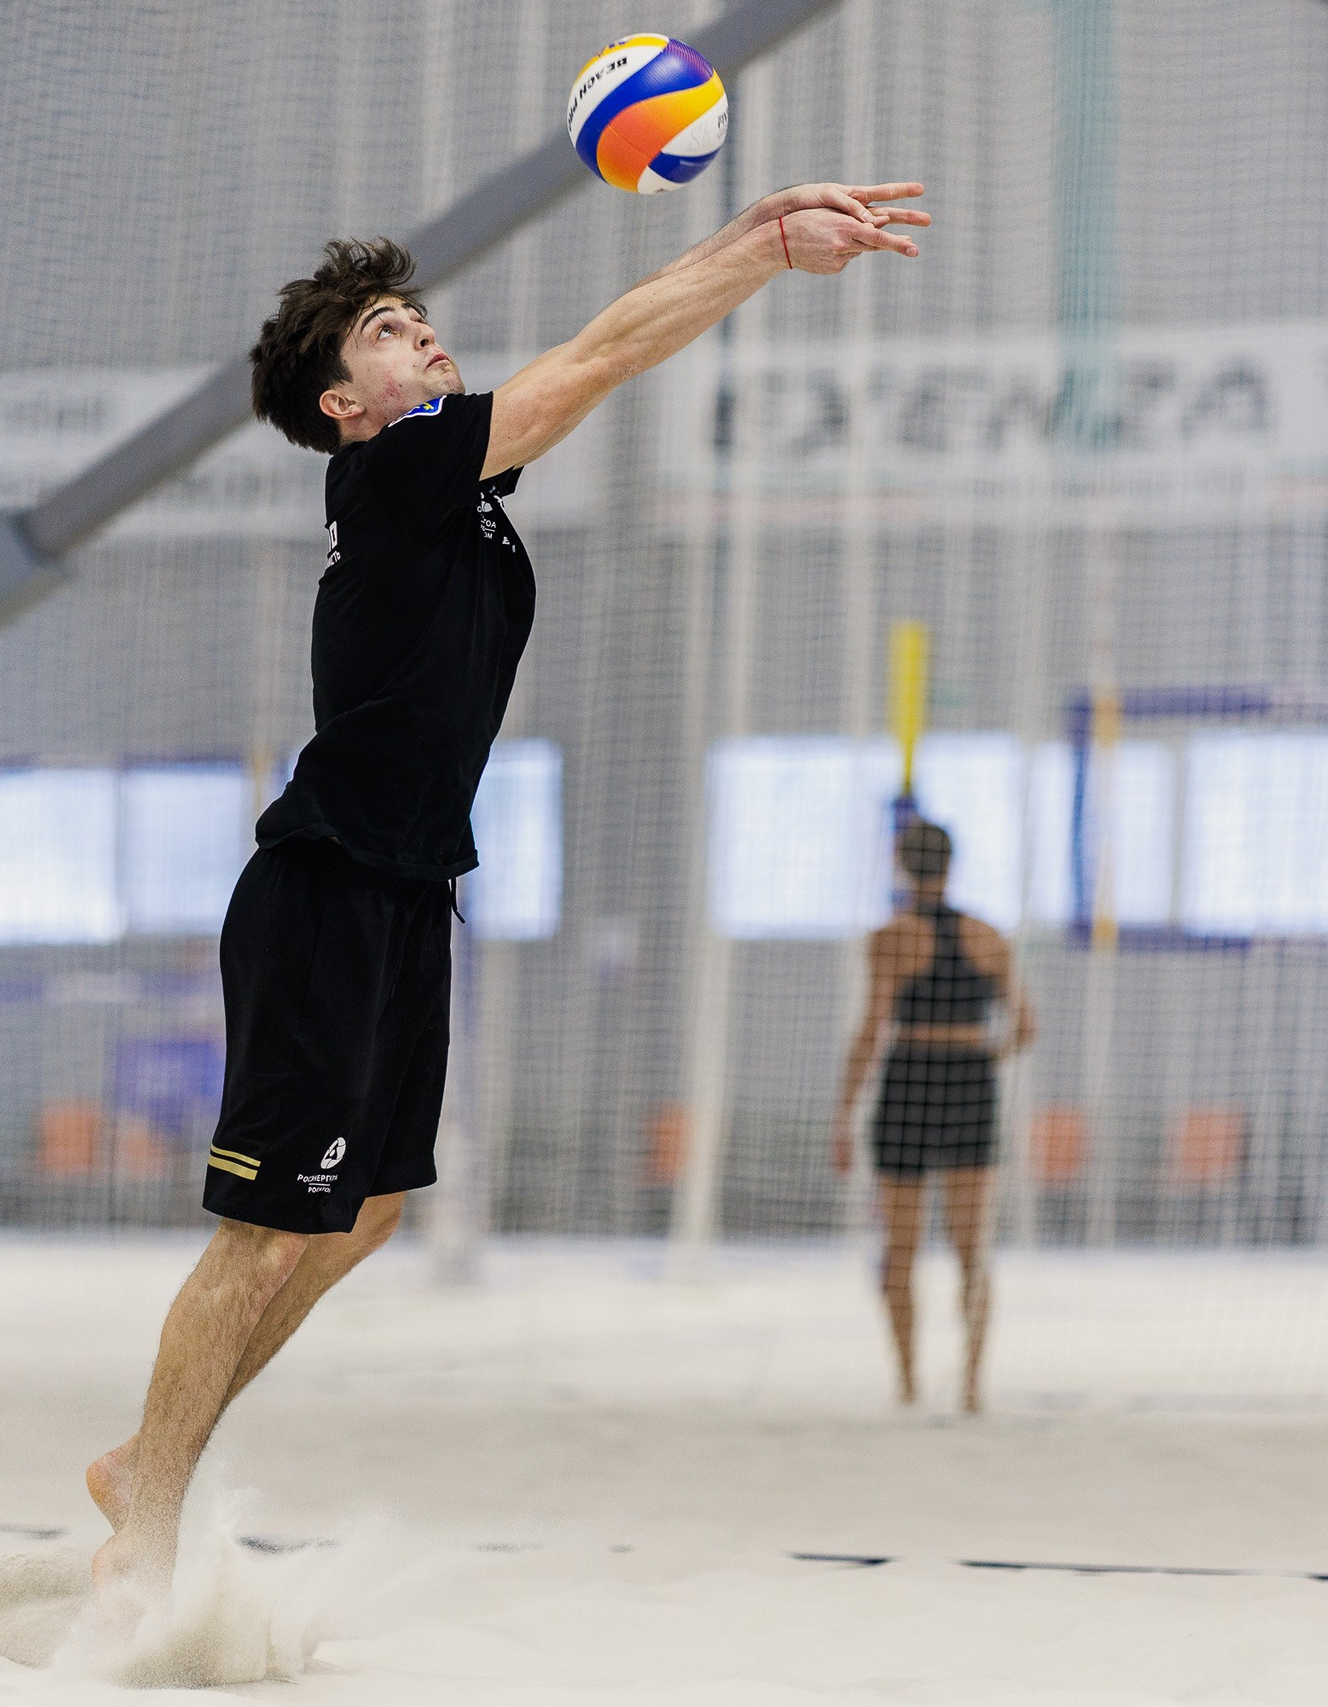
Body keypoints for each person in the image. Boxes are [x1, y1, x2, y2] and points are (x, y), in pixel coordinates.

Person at [86, 181, 930, 1603]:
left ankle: (144, 1455)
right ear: (343, 406)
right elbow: (601, 357)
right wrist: (766, 249)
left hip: (414, 892)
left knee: (363, 1215)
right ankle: (144, 1509)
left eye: (415, 318)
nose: (417, 333)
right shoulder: (396, 465)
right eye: (381, 331)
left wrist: (753, 240)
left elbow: (594, 360)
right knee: (266, 1229)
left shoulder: (457, 492)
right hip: (326, 885)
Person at [834, 819, 1034, 1414]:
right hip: (969, 1084)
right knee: (972, 1247)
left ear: (901, 865)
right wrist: (983, 1054)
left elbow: (872, 1029)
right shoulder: (989, 936)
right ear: (952, 865)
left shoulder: (892, 938)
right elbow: (1025, 1026)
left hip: (909, 1081)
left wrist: (843, 1114)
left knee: (900, 1248)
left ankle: (909, 1382)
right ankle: (972, 1387)